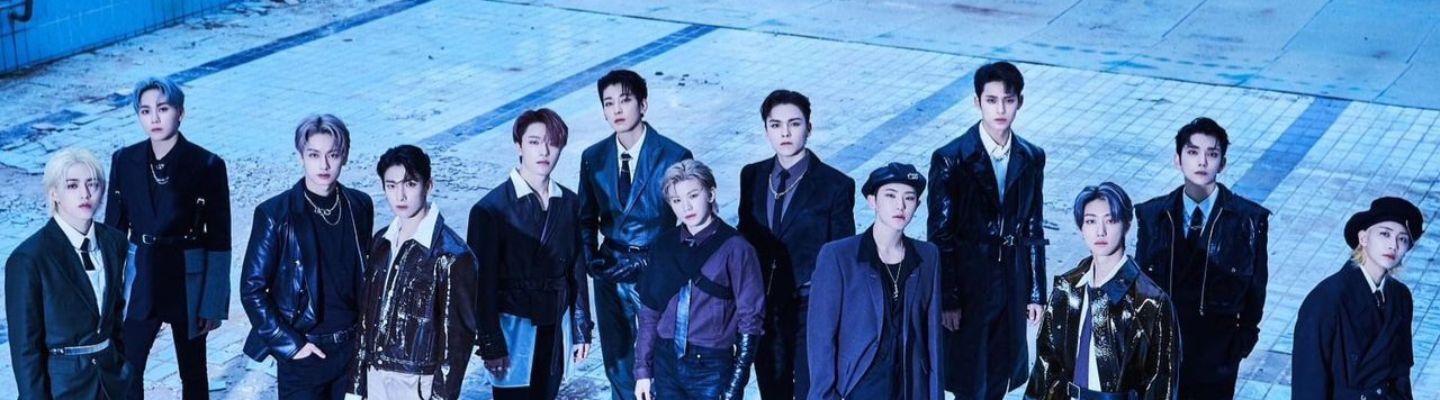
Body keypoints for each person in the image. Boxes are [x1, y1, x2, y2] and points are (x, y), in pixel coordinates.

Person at [105, 76, 231, 399]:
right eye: (145, 111)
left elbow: (220, 239)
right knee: (128, 367)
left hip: (188, 277)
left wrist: (213, 302)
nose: (154, 118)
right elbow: (113, 233)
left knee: (193, 372)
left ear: (180, 112)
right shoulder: (124, 160)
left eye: (163, 109)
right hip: (142, 277)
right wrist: (109, 295)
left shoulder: (207, 164)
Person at [927, 61, 1047, 399]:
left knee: (1001, 371)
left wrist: (1036, 290)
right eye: (991, 100)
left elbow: (1033, 224)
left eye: (1008, 100)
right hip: (969, 281)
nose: (1000, 109)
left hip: (1011, 279)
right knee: (969, 376)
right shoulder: (951, 158)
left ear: (1020, 102)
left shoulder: (1031, 156)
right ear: (977, 102)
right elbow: (940, 234)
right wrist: (948, 297)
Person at [577, 69, 694, 400]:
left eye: (625, 100)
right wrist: (591, 259)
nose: (617, 109)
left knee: (658, 360)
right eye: (608, 103)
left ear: (643, 105)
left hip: (655, 270)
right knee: (617, 363)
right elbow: (585, 218)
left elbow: (690, 225)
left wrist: (652, 262)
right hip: (610, 269)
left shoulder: (673, 156)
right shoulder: (593, 157)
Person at [240, 114, 374, 399]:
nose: (323, 165)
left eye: (332, 155)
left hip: (352, 350)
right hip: (305, 353)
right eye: (314, 155)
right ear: (301, 155)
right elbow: (251, 290)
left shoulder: (359, 205)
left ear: (344, 156)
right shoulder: (275, 214)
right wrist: (292, 346)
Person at [1134, 117, 1269, 399]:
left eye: (1212, 154)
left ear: (1223, 163)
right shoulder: (1152, 215)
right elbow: (1140, 282)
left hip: (1217, 353)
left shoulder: (1248, 220)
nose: (1202, 162)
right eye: (1193, 152)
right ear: (1178, 159)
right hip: (1163, 348)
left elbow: (1256, 287)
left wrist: (1242, 341)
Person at [469, 109, 595, 400]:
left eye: (553, 143)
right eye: (534, 142)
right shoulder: (490, 210)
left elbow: (576, 268)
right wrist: (490, 342)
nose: (544, 151)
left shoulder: (569, 202)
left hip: (555, 324)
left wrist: (581, 327)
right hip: (514, 328)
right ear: (519, 146)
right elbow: (481, 286)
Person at [737, 89, 855, 400]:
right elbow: (745, 237)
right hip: (765, 305)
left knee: (810, 391)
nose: (785, 133)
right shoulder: (752, 175)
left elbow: (842, 254)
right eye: (775, 125)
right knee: (771, 390)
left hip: (810, 306)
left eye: (794, 123)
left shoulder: (835, 184)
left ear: (809, 128)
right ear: (766, 130)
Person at [1026, 182, 1178, 399]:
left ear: (1126, 224)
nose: (1100, 231)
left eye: (1111, 220)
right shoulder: (1066, 290)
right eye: (1091, 221)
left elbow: (1162, 382)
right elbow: (1045, 367)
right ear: (1081, 228)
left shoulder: (1151, 302)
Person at [350, 145, 480, 400]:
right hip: (374, 377)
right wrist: (355, 389)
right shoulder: (381, 242)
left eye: (410, 184)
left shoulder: (452, 255)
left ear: (428, 185)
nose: (400, 195)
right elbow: (365, 322)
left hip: (418, 382)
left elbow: (456, 344)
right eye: (391, 186)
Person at [808, 163, 942, 400]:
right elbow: (821, 338)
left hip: (910, 388)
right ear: (872, 201)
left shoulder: (928, 256)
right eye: (890, 196)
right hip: (858, 387)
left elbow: (933, 338)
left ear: (918, 205)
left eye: (909, 198)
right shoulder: (838, 256)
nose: (900, 206)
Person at [634, 159, 765, 400]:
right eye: (676, 200)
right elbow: (649, 312)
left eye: (693, 196)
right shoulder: (663, 245)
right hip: (665, 363)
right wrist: (642, 370)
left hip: (711, 367)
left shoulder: (736, 248)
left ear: (711, 194)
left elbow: (751, 319)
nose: (686, 207)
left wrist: (736, 383)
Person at [7, 148, 131, 399]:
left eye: (92, 184)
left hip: (112, 382)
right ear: (54, 193)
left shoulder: (114, 242)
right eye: (72, 185)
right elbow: (25, 349)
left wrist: (123, 368)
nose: (85, 194)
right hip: (62, 389)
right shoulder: (29, 259)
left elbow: (115, 313)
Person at [1292, 197, 1422, 399]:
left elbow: (1402, 372)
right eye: (1385, 234)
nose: (1393, 245)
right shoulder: (1326, 299)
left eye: (1402, 239)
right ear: (1363, 238)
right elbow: (1309, 384)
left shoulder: (1400, 297)